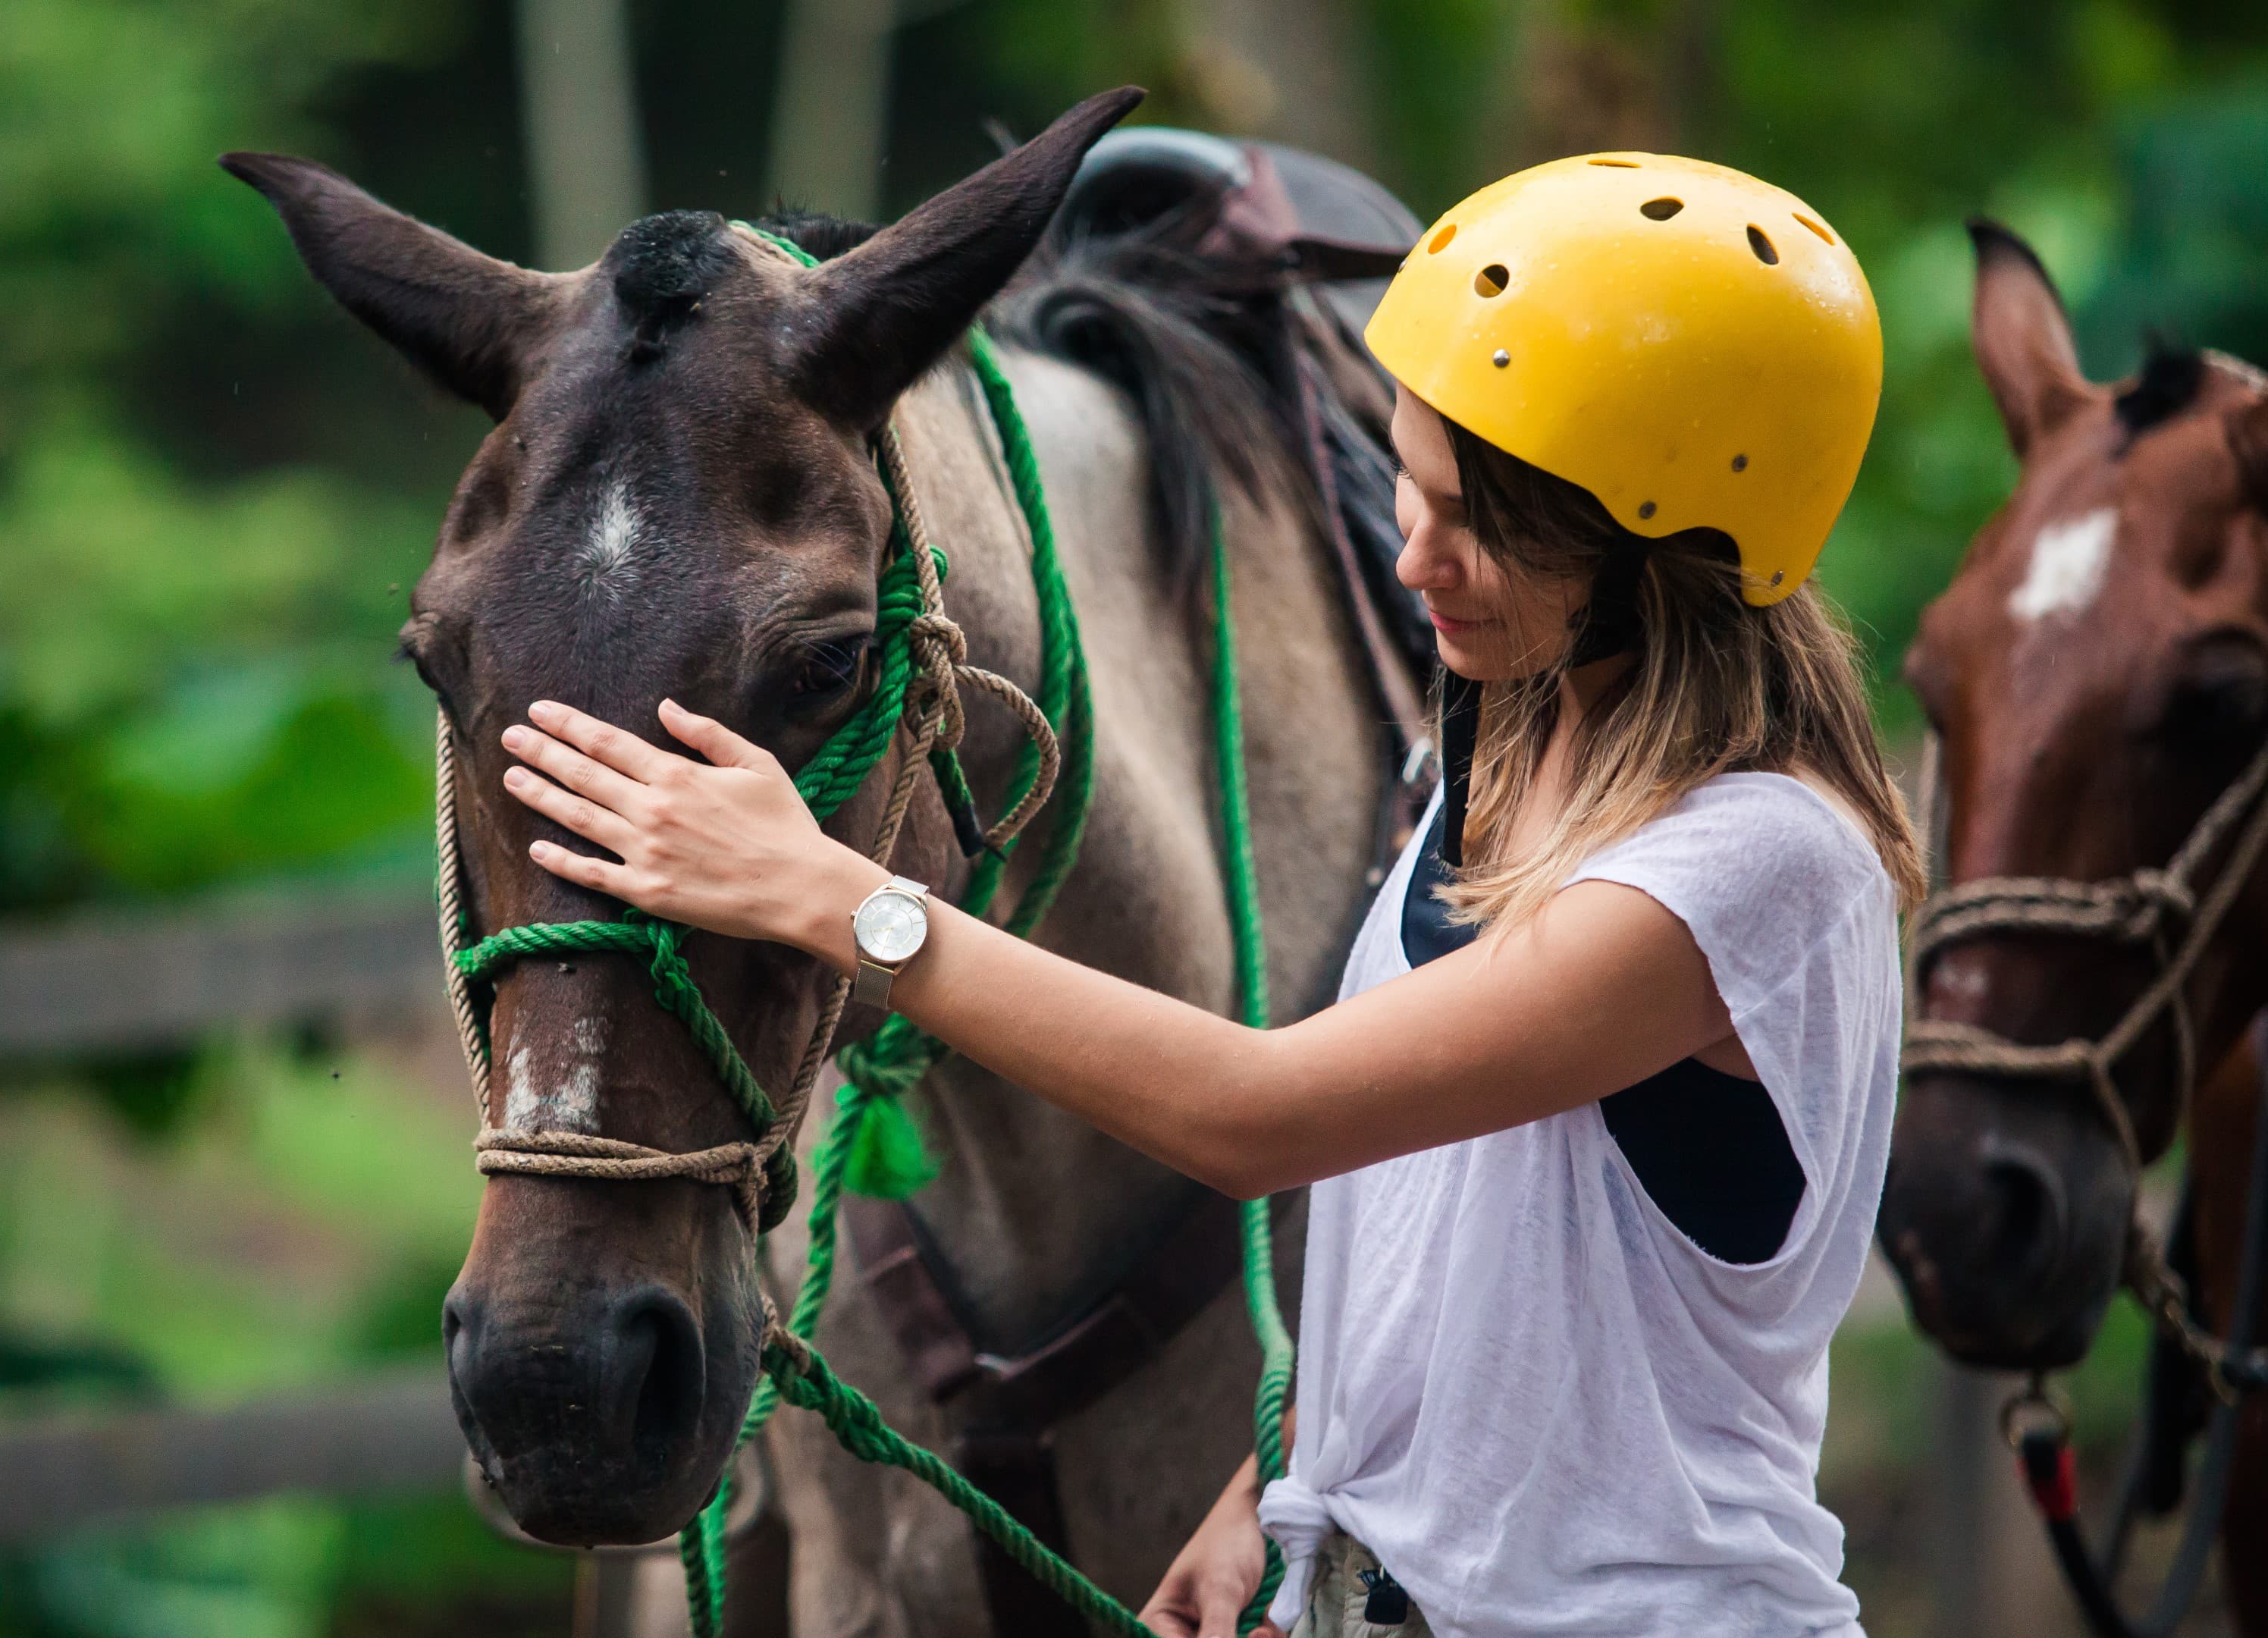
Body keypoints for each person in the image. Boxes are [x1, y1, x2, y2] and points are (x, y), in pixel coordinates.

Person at [491, 153, 1923, 1637]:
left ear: (1668, 552)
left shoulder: (1755, 870)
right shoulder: (1499, 771)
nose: (1411, 554)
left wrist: (836, 897)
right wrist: (1289, 1494)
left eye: (1477, 526)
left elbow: (1269, 1115)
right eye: (1409, 485)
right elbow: (1452, 1226)